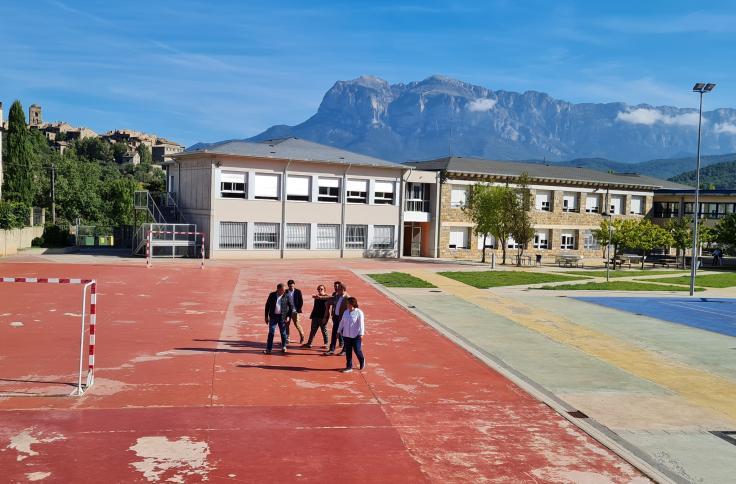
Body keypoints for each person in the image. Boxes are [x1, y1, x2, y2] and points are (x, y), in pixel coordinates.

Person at [263, 283, 294, 354]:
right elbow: (267, 306)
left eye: (284, 290)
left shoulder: (286, 295)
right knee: (271, 333)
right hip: (273, 317)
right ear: (278, 289)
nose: (283, 291)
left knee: (283, 333)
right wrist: (266, 316)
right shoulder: (272, 295)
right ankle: (268, 349)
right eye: (282, 290)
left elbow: (291, 306)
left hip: (282, 317)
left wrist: (288, 316)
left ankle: (284, 346)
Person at [337, 297, 365, 373]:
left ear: (352, 304)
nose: (347, 304)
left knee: (357, 350)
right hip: (346, 335)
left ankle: (362, 360)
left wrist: (361, 334)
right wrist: (338, 331)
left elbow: (361, 324)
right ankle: (349, 367)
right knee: (348, 351)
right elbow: (342, 322)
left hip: (356, 336)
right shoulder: (346, 312)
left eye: (348, 303)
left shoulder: (359, 312)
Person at [325, 282, 348, 355]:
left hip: (343, 319)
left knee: (344, 335)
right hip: (336, 318)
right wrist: (320, 297)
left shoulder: (347, 298)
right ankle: (332, 349)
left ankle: (345, 350)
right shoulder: (337, 296)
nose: (337, 290)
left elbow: (354, 308)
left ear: (343, 290)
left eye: (339, 289)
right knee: (334, 333)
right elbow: (330, 298)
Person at [286, 279, 305, 344]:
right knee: (286, 324)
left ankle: (302, 336)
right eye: (290, 286)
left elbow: (301, 301)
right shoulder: (285, 292)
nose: (291, 287)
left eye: (292, 286)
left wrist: (298, 309)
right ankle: (287, 338)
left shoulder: (298, 291)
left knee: (297, 324)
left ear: (294, 285)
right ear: (288, 286)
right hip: (288, 312)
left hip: (295, 311)